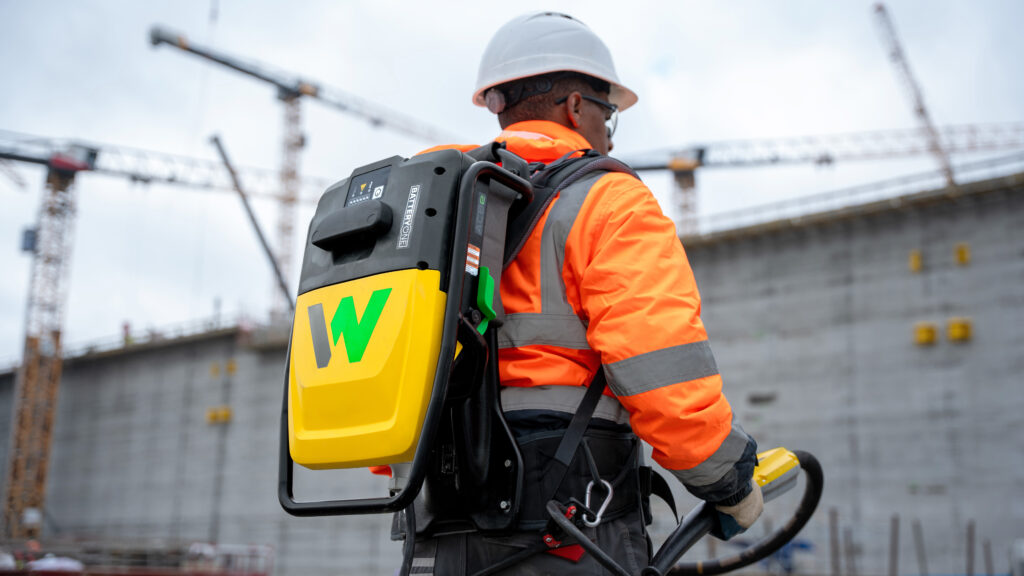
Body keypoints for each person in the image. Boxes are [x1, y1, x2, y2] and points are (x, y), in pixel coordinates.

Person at [409, 11, 763, 574]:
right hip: (567, 528)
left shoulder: (434, 202)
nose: (609, 132)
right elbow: (663, 375)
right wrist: (728, 479)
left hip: (436, 525)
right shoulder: (609, 200)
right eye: (608, 112)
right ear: (576, 106)